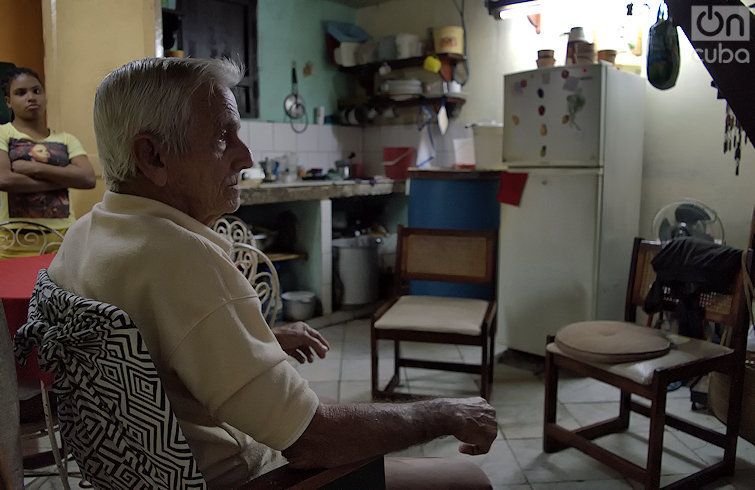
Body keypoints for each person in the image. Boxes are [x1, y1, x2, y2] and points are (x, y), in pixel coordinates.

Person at [47, 58, 497, 488]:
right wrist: (443, 413)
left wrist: (258, 338)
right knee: (465, 480)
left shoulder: (86, 236)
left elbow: (154, 355)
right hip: (252, 480)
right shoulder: (182, 259)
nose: (245, 157)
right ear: (153, 156)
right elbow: (314, 440)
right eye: (224, 137)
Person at [0, 67, 95, 258]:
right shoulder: (2, 133)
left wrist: (34, 168)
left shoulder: (67, 139)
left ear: (45, 96)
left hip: (63, 239)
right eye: (21, 93)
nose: (31, 97)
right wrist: (65, 177)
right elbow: (4, 179)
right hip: (13, 241)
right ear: (8, 101)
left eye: (37, 91)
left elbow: (87, 178)